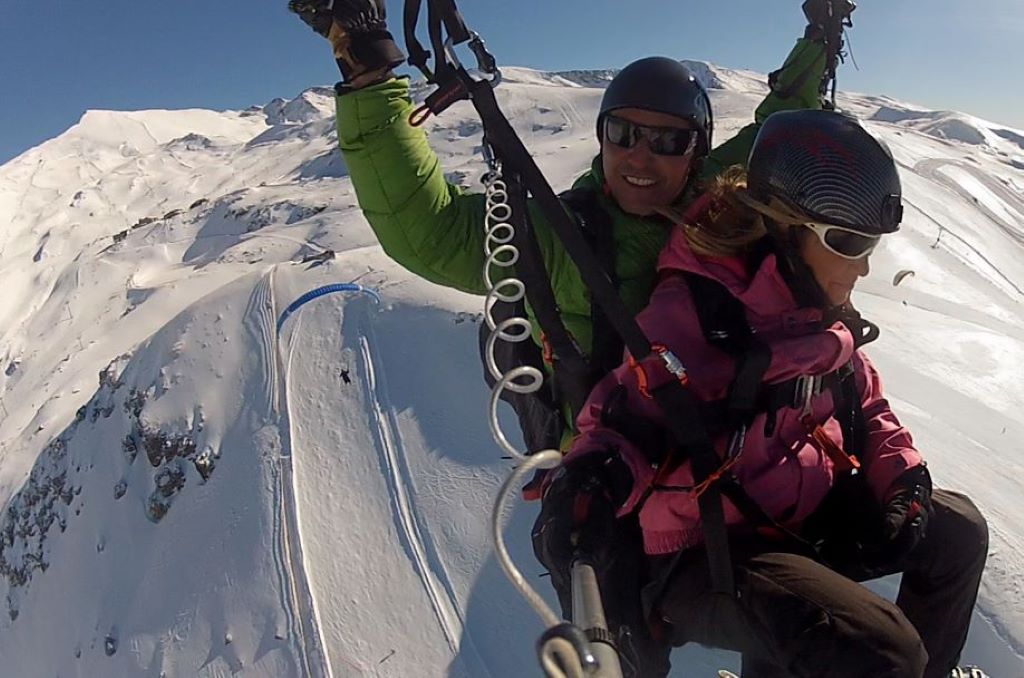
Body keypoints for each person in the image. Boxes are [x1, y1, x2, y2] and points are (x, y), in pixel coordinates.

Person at [533, 109, 990, 677]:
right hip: (706, 548)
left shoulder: (811, 296)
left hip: (793, 507)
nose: (864, 267)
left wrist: (904, 482)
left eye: (870, 243)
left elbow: (864, 397)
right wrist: (590, 481)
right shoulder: (698, 313)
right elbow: (625, 418)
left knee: (957, 531)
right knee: (882, 650)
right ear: (785, 228)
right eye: (848, 241)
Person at [288, 0, 855, 457]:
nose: (640, 157)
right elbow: (429, 230)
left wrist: (819, 41)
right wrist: (367, 67)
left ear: (696, 151)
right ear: (601, 136)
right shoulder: (555, 234)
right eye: (623, 133)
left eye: (667, 140)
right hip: (615, 482)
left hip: (734, 449)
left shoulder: (715, 195)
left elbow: (776, 125)